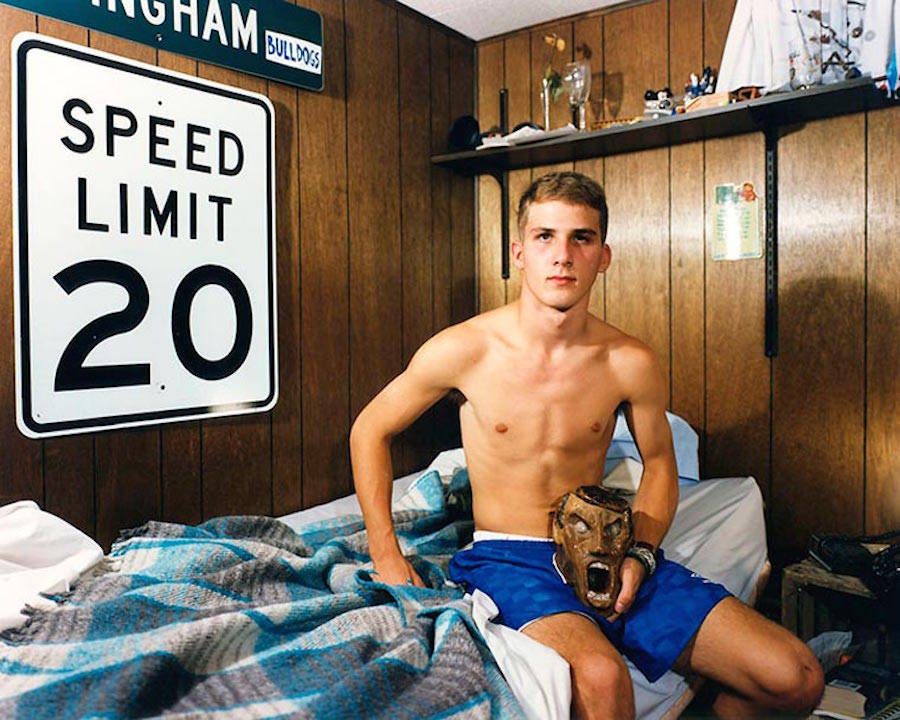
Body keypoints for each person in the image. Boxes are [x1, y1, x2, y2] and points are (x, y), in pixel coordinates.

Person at [350, 171, 823, 719]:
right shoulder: (465, 350)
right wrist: (386, 553)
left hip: (609, 551)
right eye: (545, 236)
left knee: (797, 678)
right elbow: (370, 429)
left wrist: (641, 554)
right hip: (510, 557)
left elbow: (660, 464)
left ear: (604, 256)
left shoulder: (629, 361)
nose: (563, 255)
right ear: (519, 253)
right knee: (602, 677)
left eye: (582, 238)